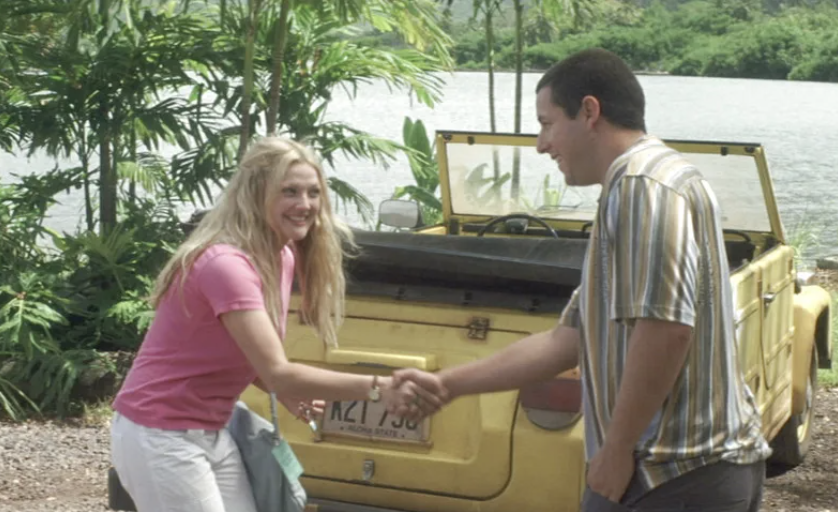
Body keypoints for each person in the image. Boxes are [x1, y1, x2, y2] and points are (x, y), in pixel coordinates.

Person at [394, 48, 771, 512]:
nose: (540, 144)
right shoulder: (652, 180)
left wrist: (616, 448)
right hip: (680, 471)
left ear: (590, 112)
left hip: (670, 474)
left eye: (547, 123)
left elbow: (667, 329)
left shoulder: (641, 188)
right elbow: (567, 339)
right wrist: (447, 384)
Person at [110, 136, 447, 512]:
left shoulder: (281, 256)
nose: (304, 205)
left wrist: (280, 389)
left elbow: (250, 357)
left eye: (313, 193)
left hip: (212, 430)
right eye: (289, 192)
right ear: (256, 194)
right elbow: (278, 371)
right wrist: (378, 387)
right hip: (161, 433)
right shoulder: (226, 265)